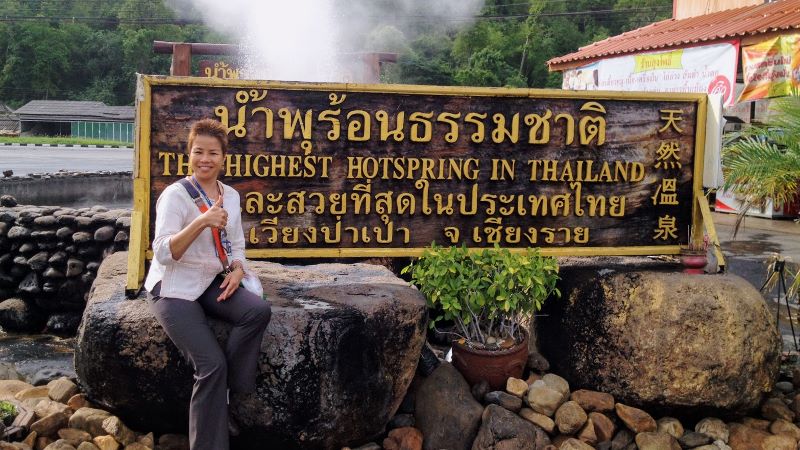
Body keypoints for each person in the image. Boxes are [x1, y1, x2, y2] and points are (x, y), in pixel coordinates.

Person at [144, 118, 271, 450]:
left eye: (213, 153)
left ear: (223, 157)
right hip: (172, 287)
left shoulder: (230, 197)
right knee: (210, 364)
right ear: (188, 154)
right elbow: (162, 252)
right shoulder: (176, 196)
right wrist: (201, 222)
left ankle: (228, 391)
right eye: (198, 152)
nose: (205, 159)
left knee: (257, 311)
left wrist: (239, 270)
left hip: (209, 280)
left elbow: (238, 245)